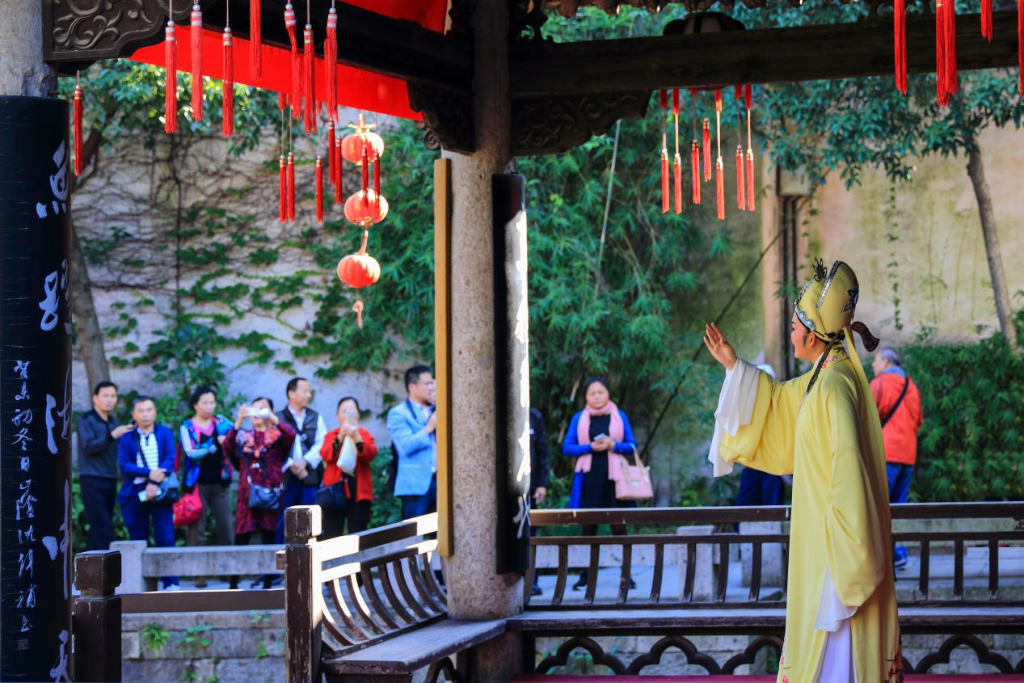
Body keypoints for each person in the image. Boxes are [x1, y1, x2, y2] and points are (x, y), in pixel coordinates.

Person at [705, 259, 901, 683]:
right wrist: (734, 367)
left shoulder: (833, 384)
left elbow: (848, 467)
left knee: (837, 652)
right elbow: (776, 403)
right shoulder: (824, 376)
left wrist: (848, 550)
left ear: (812, 336)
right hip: (825, 537)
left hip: (836, 549)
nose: (791, 333)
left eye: (794, 326)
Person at [561, 377, 638, 591]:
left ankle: (627, 575)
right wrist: (589, 448)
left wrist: (614, 445)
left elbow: (632, 446)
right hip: (589, 480)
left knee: (619, 528)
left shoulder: (619, 415)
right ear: (586, 397)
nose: (597, 396)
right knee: (588, 528)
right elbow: (567, 448)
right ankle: (585, 576)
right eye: (592, 393)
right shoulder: (579, 418)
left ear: (608, 393)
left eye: (600, 392)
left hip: (616, 481)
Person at [225, 397, 296, 589]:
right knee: (241, 537)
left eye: (262, 409)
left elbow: (291, 435)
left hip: (270, 493)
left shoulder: (278, 437)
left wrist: (272, 418)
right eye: (254, 409)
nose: (257, 413)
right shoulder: (242, 436)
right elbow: (227, 447)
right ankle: (233, 584)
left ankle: (268, 583)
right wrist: (239, 420)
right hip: (246, 494)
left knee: (269, 537)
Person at [117, 396, 180, 590]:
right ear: (134, 414)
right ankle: (138, 583)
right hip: (135, 491)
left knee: (166, 537)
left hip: (161, 490)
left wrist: (154, 481)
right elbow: (124, 465)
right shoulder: (127, 438)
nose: (145, 414)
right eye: (141, 411)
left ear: (155, 412)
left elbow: (170, 459)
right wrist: (148, 473)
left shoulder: (165, 433)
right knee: (137, 538)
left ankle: (170, 582)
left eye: (149, 410)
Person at [871, 346, 924, 569]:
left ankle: (879, 558)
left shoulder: (880, 384)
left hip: (885, 453)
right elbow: (919, 421)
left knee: (878, 505)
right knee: (899, 506)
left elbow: (867, 418)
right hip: (907, 455)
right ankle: (898, 554)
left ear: (885, 361)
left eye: (875, 360)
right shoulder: (911, 386)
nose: (873, 364)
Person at [178, 386, 235, 587]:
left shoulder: (222, 422)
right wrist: (213, 444)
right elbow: (190, 452)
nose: (209, 406)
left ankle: (228, 572)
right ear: (195, 404)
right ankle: (198, 573)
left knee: (226, 526)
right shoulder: (187, 426)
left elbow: (236, 437)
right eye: (205, 402)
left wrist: (228, 440)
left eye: (212, 402)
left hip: (221, 482)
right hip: (197, 484)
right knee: (197, 530)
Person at [78, 381, 134, 551]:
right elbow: (89, 447)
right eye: (105, 396)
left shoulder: (113, 422)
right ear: (95, 398)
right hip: (91, 479)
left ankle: (89, 566)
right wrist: (112, 435)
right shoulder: (86, 420)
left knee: (99, 526)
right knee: (103, 527)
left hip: (110, 478)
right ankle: (108, 565)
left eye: (113, 396)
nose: (109, 400)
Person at [275, 377, 326, 544]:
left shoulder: (315, 417)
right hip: (286, 478)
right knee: (282, 520)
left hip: (309, 475)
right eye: (304, 391)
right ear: (291, 393)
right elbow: (275, 446)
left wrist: (305, 462)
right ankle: (278, 558)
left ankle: (310, 557)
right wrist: (291, 465)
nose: (308, 395)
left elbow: (322, 442)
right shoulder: (278, 417)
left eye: (309, 391)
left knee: (310, 521)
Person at [319, 396, 379, 538]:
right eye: (344, 411)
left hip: (359, 490)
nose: (347, 415)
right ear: (337, 416)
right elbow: (327, 455)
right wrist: (340, 436)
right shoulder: (332, 435)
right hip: (335, 491)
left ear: (357, 414)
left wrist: (356, 436)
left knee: (358, 533)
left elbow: (370, 454)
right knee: (332, 534)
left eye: (351, 411)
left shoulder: (364, 434)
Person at [387, 365, 438, 520]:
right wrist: (428, 428)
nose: (432, 387)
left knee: (443, 531)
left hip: (442, 481)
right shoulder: (398, 413)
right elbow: (406, 446)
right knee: (415, 532)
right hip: (416, 485)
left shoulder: (437, 409)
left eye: (432, 383)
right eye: (427, 383)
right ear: (412, 387)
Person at [734, 365, 787, 508]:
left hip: (772, 467)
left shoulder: (779, 407)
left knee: (774, 510)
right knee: (744, 510)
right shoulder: (746, 407)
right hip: (751, 465)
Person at [529, 407, 549, 596]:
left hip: (530, 486)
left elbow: (542, 451)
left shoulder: (534, 416)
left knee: (530, 533)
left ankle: (532, 580)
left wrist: (542, 484)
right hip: (501, 488)